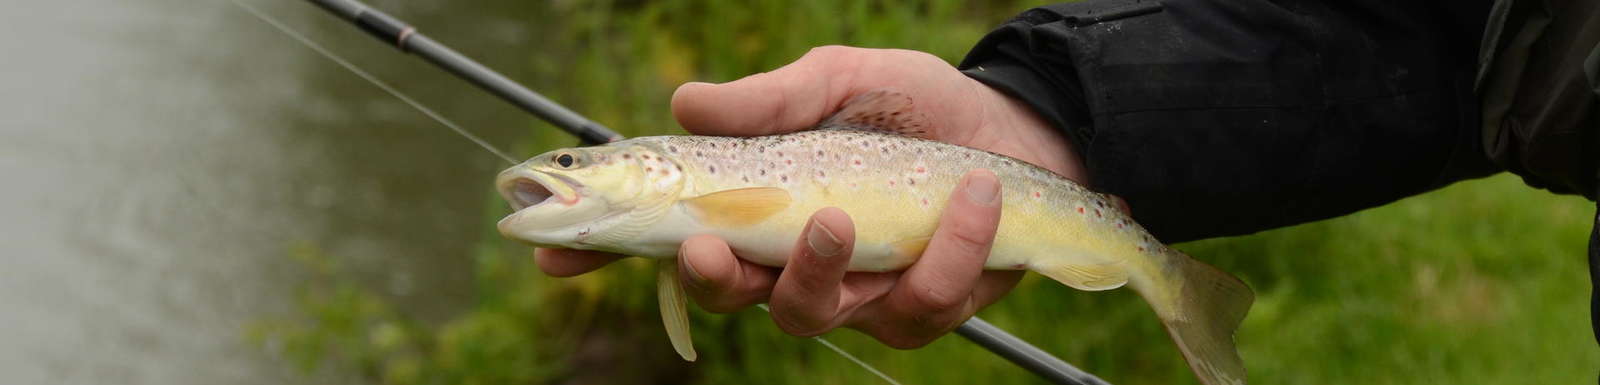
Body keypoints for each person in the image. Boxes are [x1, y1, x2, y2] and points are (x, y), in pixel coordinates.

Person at [538, 0, 1600, 350]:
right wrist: (1046, 113)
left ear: (652, 170)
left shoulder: (706, 193)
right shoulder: (697, 204)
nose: (561, 177)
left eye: (580, 165)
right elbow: (1485, 36)